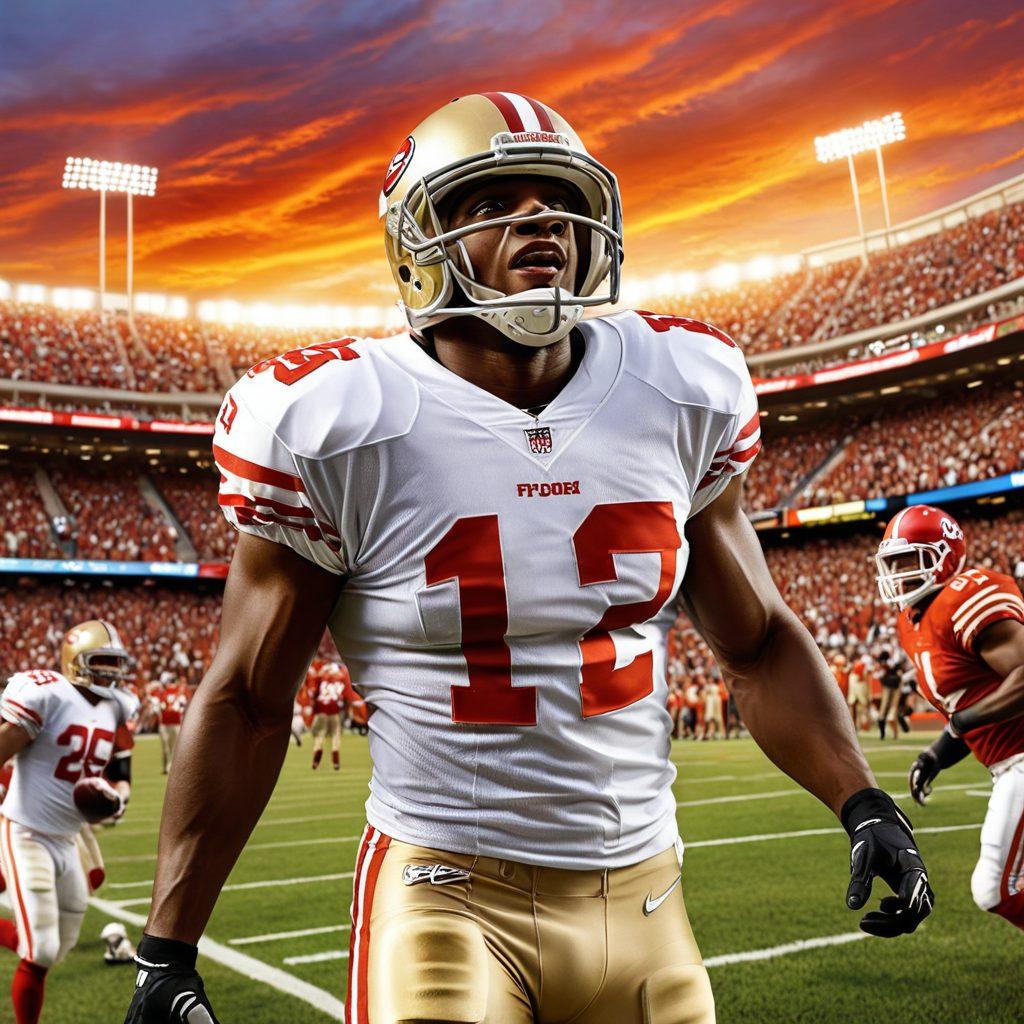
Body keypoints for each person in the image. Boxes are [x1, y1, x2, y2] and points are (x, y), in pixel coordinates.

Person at [124, 93, 932, 1024]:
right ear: (418, 242)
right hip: (443, 898)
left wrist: (862, 798)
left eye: (556, 197)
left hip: (649, 898)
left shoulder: (680, 385)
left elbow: (755, 643)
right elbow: (250, 701)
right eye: (490, 202)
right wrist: (167, 950)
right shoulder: (337, 421)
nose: (538, 218)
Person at [877, 504, 1024, 931]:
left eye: (910, 560)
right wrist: (938, 753)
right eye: (893, 562)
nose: (899, 572)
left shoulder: (963, 597)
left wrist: (959, 724)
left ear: (945, 556)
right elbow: (971, 700)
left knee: (995, 888)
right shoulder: (912, 623)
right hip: (1007, 763)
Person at [0, 620, 138, 1024]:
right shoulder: (46, 694)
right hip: (26, 830)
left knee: (58, 947)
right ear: (75, 662)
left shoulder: (116, 707)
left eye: (117, 663)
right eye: (102, 662)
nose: (112, 672)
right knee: (40, 949)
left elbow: (119, 777)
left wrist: (116, 799)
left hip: (67, 835)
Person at [876, 651, 902, 740]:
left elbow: (899, 676)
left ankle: (893, 733)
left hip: (894, 687)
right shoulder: (884, 666)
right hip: (889, 687)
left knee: (891, 710)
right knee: (884, 710)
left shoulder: (892, 664)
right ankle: (883, 733)